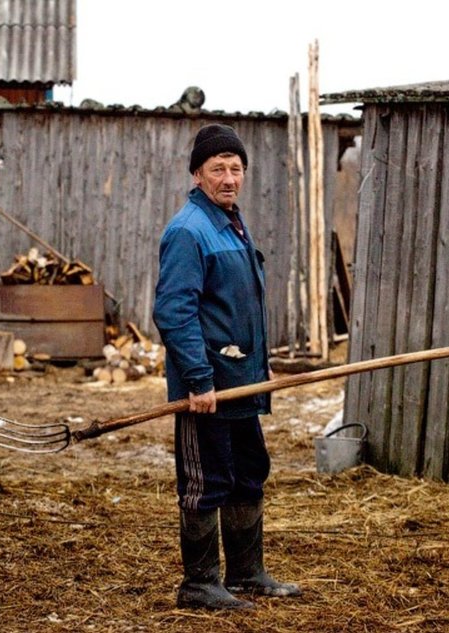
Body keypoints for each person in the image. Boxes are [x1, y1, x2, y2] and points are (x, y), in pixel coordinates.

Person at [153, 123, 301, 610]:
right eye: (218, 169)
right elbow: (175, 312)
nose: (229, 177)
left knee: (247, 472)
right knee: (206, 480)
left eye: (236, 169)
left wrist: (260, 368)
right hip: (209, 388)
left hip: (242, 383)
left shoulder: (231, 223)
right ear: (197, 174)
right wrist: (198, 379)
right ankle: (198, 583)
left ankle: (246, 572)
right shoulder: (188, 231)